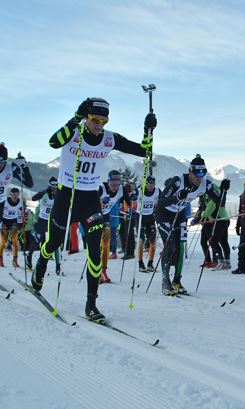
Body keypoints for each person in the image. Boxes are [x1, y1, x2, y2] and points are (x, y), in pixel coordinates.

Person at [31, 97, 157, 320]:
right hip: (66, 196)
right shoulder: (74, 132)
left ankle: (91, 304)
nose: (99, 126)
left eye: (103, 121)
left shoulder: (109, 139)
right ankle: (41, 264)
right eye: (95, 120)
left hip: (90, 198)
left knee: (96, 252)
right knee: (53, 243)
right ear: (87, 117)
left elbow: (144, 151)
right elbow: (53, 142)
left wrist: (148, 130)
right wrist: (75, 118)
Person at [155, 155, 230, 296]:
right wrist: (177, 197)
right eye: (196, 173)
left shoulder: (205, 184)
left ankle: (177, 281)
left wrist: (223, 191)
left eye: (203, 173)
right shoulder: (178, 181)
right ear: (190, 171)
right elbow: (161, 202)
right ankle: (165, 281)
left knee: (181, 247)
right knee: (170, 245)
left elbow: (220, 203)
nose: (199, 177)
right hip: (164, 214)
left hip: (179, 214)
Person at [98, 170, 131, 283]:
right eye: (112, 184)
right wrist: (101, 202)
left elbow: (128, 202)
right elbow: (90, 203)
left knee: (106, 244)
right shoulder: (101, 188)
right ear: (108, 181)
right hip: (95, 218)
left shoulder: (121, 189)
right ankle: (95, 270)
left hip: (105, 217)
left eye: (117, 184)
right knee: (97, 246)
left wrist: (132, 204)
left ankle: (103, 271)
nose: (115, 187)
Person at [26, 177, 60, 273]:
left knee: (55, 243)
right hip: (41, 220)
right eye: (52, 187)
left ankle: (58, 266)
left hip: (51, 222)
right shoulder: (45, 193)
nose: (54, 189)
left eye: (56, 187)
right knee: (37, 241)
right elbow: (33, 198)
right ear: (49, 186)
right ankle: (29, 257)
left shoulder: (58, 194)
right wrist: (43, 192)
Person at [199, 183, 231, 270]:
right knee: (223, 241)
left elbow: (211, 206)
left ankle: (220, 261)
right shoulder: (216, 192)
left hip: (220, 220)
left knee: (214, 241)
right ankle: (227, 262)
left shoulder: (213, 194)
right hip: (224, 220)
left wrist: (204, 214)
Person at [0, 143, 33, 227]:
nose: (0, 165)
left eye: (2, 162)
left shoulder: (11, 167)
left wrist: (24, 167)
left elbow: (29, 184)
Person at [135, 175, 161, 272]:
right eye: (149, 184)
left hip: (150, 217)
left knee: (153, 242)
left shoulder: (157, 191)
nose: (151, 186)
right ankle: (140, 263)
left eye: (153, 184)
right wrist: (133, 199)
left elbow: (160, 203)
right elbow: (131, 200)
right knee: (141, 240)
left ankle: (150, 263)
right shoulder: (139, 191)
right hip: (140, 217)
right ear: (146, 184)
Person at [0, 187, 23, 267]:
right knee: (3, 242)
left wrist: (21, 225)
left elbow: (21, 214)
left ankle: (15, 260)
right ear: (11, 195)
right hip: (5, 222)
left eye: (17, 195)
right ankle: (0, 259)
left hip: (14, 222)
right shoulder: (5, 201)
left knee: (15, 241)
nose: (15, 197)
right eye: (14, 195)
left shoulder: (20, 202)